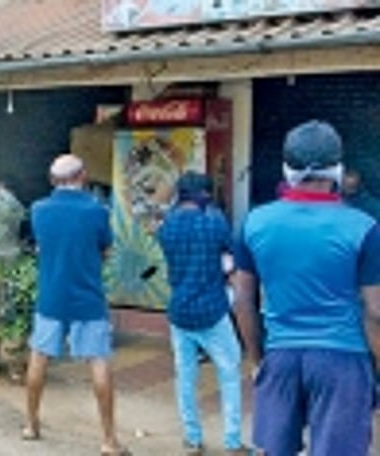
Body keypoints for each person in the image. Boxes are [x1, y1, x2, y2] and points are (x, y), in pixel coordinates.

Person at [233, 121, 380, 456]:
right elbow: (375, 312)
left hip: (280, 357)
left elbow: (243, 301)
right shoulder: (364, 228)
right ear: (338, 169)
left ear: (287, 170)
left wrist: (259, 362)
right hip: (343, 361)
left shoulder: (254, 222)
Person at [24, 154, 129, 456]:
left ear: (52, 179)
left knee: (39, 358)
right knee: (98, 362)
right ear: (82, 176)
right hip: (88, 296)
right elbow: (106, 249)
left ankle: (31, 424)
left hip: (51, 295)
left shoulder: (39, 209)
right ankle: (108, 439)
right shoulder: (97, 210)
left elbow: (41, 246)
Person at [156, 172, 250, 456]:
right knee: (230, 372)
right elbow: (230, 259)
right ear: (205, 195)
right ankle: (232, 442)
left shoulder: (166, 226)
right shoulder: (215, 221)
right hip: (212, 310)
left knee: (185, 376)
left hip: (179, 312)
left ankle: (193, 440)